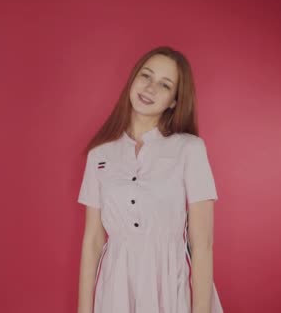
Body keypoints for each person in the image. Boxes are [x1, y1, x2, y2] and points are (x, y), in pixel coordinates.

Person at [76, 46, 224, 313]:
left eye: (164, 85)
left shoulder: (190, 150)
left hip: (169, 281)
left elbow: (202, 244)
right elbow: (93, 241)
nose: (150, 88)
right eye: (146, 76)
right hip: (116, 286)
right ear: (133, 79)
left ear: (174, 101)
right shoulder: (99, 154)